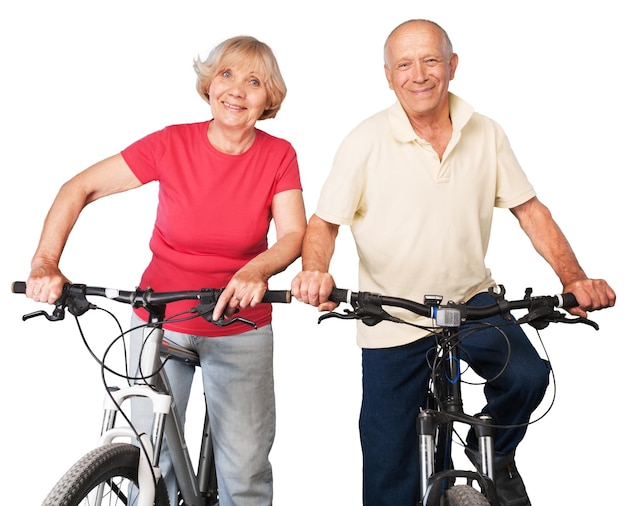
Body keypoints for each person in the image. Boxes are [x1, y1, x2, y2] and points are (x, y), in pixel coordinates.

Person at [291, 19, 615, 506]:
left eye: (430, 60)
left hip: (471, 301)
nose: (418, 74)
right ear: (388, 74)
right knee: (389, 466)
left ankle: (496, 453)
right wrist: (315, 270)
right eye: (404, 64)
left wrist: (575, 279)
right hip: (392, 314)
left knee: (526, 375)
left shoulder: (484, 132)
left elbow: (530, 211)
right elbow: (323, 222)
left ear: (451, 66)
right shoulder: (365, 140)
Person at [26, 35, 306, 506]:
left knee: (244, 474)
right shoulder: (172, 143)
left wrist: (256, 270)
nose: (237, 90)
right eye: (226, 75)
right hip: (158, 318)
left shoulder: (278, 156)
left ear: (269, 97)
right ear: (209, 84)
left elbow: (294, 235)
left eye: (254, 81)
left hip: (238, 325)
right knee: (148, 465)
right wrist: (45, 263)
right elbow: (80, 189)